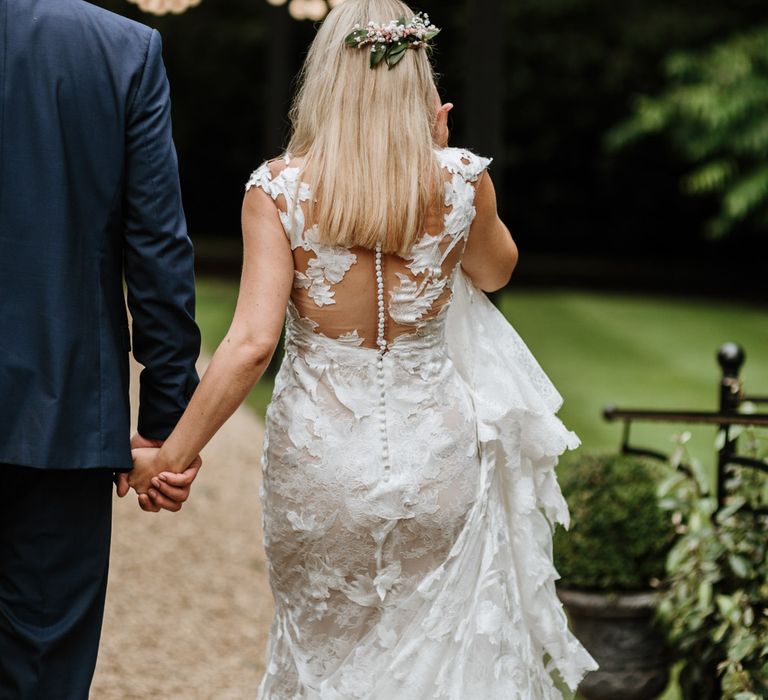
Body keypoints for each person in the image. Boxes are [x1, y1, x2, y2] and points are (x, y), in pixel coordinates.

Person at [131, 0, 598, 696]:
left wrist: (171, 457)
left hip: (320, 463)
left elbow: (252, 344)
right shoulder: (462, 179)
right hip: (439, 459)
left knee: (324, 655)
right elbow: (496, 271)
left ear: (327, 77)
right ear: (417, 79)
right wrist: (441, 158)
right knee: (432, 653)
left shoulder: (278, 190)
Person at [0, 0, 202, 697]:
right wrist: (165, 418)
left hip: (66, 415)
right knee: (42, 666)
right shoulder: (120, 47)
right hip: (62, 411)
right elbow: (156, 246)